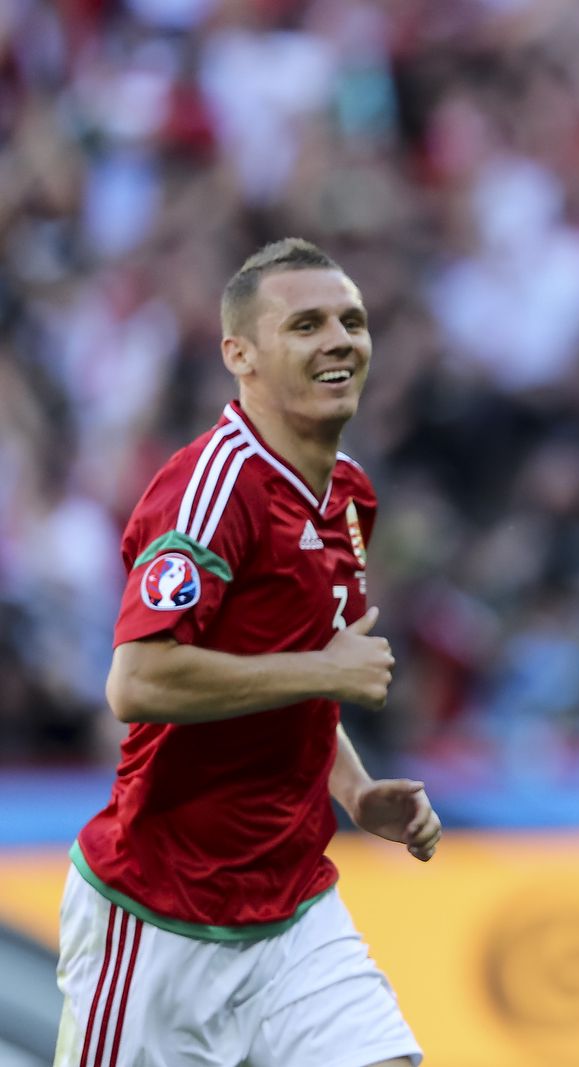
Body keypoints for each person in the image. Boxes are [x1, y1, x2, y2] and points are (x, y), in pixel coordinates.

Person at [55, 239, 441, 1067]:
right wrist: (324, 674)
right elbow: (139, 677)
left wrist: (354, 785)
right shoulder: (214, 486)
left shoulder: (348, 494)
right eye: (306, 324)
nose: (339, 339)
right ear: (241, 354)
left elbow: (289, 662)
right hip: (159, 910)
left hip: (292, 904)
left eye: (352, 321)